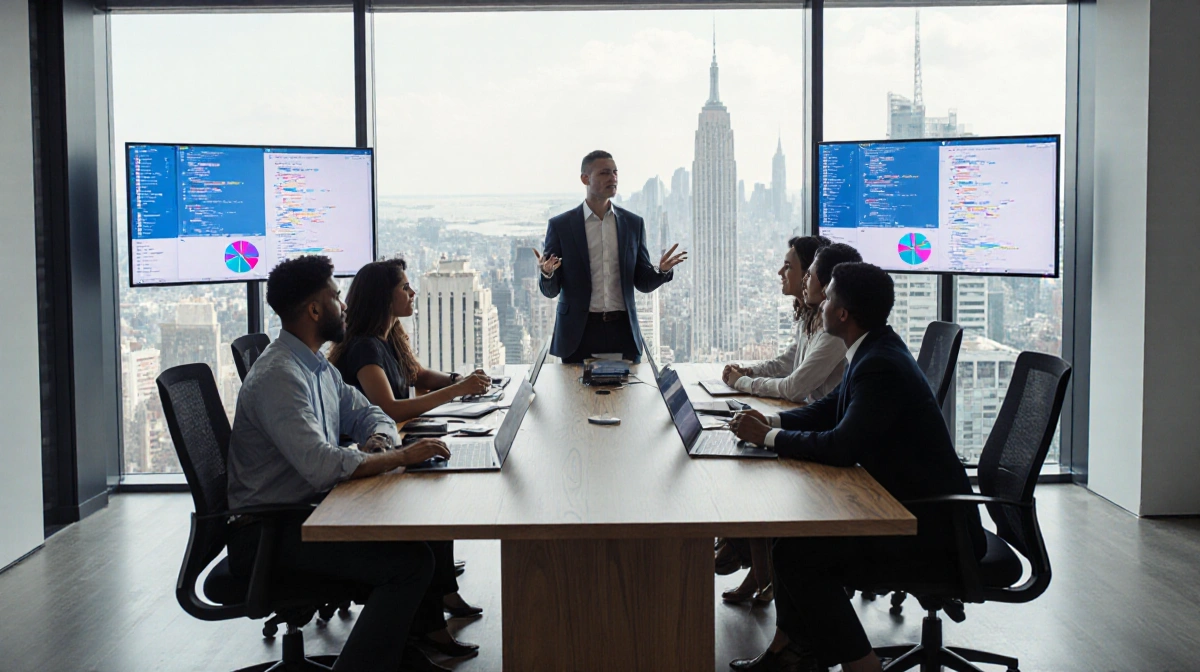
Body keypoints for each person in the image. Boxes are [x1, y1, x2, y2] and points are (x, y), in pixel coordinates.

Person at [726, 262, 984, 672]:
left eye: (827, 298)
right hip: (907, 508)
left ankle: (861, 665)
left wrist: (768, 439)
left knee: (799, 554)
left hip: (930, 527)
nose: (821, 304)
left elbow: (842, 445)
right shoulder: (875, 347)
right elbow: (832, 409)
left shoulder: (879, 363)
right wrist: (770, 422)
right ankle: (791, 651)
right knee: (791, 543)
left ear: (843, 313)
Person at [226, 255, 454, 672]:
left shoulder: (315, 366)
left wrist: (379, 441)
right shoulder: (281, 377)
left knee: (415, 538)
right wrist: (397, 456)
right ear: (315, 310)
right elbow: (322, 466)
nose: (344, 304)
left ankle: (393, 656)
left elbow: (373, 413)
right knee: (411, 564)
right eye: (335, 296)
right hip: (269, 533)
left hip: (309, 512)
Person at [328, 257, 486, 661]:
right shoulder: (364, 346)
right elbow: (392, 408)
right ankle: (430, 629)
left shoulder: (388, 336)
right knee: (430, 492)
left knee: (437, 476)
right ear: (384, 297)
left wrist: (461, 382)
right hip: (365, 467)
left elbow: (416, 377)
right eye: (405, 287)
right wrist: (457, 392)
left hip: (388, 451)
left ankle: (445, 591)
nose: (412, 293)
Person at [713, 238, 859, 606]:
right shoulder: (814, 319)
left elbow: (796, 387)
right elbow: (789, 363)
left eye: (797, 268)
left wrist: (752, 397)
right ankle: (759, 572)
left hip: (837, 454)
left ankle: (757, 565)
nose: (785, 273)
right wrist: (748, 376)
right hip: (818, 425)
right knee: (751, 456)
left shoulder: (840, 335)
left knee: (755, 472)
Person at [536, 150, 688, 362]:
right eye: (605, 173)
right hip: (578, 334)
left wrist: (661, 271)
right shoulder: (561, 226)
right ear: (585, 179)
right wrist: (547, 274)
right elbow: (550, 292)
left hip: (623, 331)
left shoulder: (633, 224)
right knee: (576, 395)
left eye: (615, 172)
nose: (613, 178)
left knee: (629, 394)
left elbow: (642, 283)